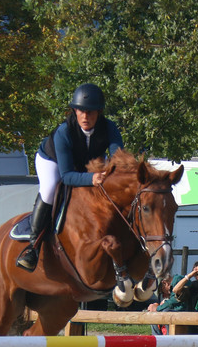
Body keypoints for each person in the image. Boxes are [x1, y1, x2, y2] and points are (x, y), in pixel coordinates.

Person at [16, 83, 124, 271]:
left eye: (90, 112)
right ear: (75, 111)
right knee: (50, 189)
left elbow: (118, 158)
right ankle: (33, 247)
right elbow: (66, 176)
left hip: (87, 162)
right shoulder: (64, 132)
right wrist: (92, 179)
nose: (85, 116)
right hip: (53, 161)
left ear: (99, 112)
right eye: (81, 111)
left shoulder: (109, 128)